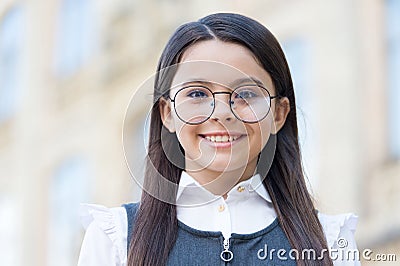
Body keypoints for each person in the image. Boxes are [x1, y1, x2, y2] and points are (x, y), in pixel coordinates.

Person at [78, 13, 359, 265]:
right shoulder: (115, 240)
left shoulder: (331, 243)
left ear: (278, 114)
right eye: (198, 94)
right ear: (167, 113)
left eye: (247, 94)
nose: (223, 113)